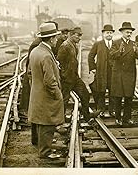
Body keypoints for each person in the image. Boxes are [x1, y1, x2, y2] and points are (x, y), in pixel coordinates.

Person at [27, 22, 64, 159]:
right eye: (55, 38)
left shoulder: (36, 51)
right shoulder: (47, 55)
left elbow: (31, 72)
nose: (57, 40)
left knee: (40, 121)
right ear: (52, 38)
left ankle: (42, 147)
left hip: (37, 93)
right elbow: (49, 81)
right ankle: (45, 152)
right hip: (46, 95)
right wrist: (58, 95)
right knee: (47, 123)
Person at [57, 27, 99, 122]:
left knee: (85, 94)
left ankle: (86, 116)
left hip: (74, 77)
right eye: (78, 35)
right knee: (64, 100)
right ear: (71, 35)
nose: (80, 38)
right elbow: (58, 62)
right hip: (66, 78)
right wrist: (63, 76)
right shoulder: (65, 46)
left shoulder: (73, 45)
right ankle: (60, 120)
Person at [110, 22, 138, 125]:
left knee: (128, 97)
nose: (129, 34)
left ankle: (127, 118)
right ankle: (117, 118)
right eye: (127, 32)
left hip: (130, 74)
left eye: (130, 32)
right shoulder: (116, 43)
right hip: (119, 74)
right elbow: (112, 55)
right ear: (122, 32)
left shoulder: (134, 44)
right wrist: (120, 52)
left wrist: (136, 52)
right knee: (118, 97)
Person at [88, 24, 115, 117]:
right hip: (101, 72)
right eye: (107, 33)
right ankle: (101, 110)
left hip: (113, 73)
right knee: (101, 92)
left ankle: (112, 110)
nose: (109, 35)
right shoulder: (98, 44)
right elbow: (90, 56)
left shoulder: (116, 44)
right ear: (103, 34)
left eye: (111, 33)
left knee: (113, 92)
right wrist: (93, 68)